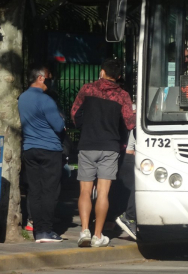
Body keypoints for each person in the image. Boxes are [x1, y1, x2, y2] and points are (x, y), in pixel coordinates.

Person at [71, 59, 135, 248]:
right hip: (110, 147)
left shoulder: (87, 90)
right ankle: (98, 235)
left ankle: (84, 231)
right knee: (103, 193)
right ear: (119, 77)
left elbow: (75, 114)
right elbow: (130, 123)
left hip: (87, 144)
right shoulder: (122, 96)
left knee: (85, 191)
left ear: (102, 72)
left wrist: (85, 126)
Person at [18, 65, 65, 243]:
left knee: (35, 190)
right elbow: (58, 126)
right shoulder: (46, 100)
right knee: (49, 191)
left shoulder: (22, 98)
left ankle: (37, 229)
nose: (49, 81)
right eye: (48, 77)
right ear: (41, 78)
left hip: (30, 148)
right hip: (49, 149)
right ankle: (46, 230)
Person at [115, 129, 137, 240]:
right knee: (131, 189)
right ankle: (129, 217)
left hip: (126, 153)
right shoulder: (134, 118)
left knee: (125, 190)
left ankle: (124, 217)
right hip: (129, 154)